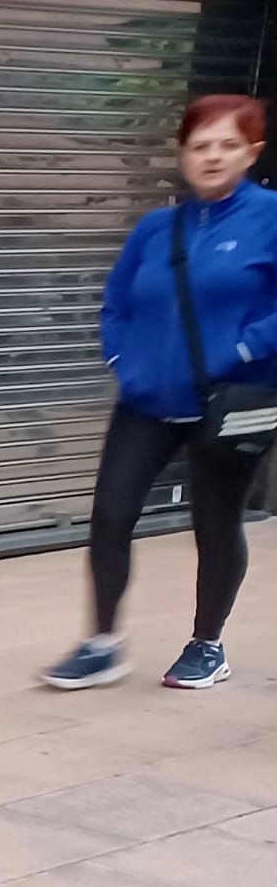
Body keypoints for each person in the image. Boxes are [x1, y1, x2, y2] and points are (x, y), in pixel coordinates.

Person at [45, 94, 277, 691]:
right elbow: (116, 303)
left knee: (216, 523)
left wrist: (245, 351)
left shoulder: (271, 217)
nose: (213, 157)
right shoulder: (157, 227)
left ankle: (207, 644)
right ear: (183, 154)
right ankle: (101, 644)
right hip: (148, 400)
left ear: (253, 151)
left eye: (228, 145)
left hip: (233, 399)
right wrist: (123, 359)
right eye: (200, 146)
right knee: (110, 515)